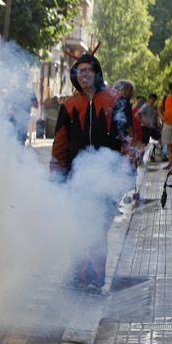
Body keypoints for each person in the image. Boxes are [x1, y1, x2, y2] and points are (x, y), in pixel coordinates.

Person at [50, 52, 127, 291]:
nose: (83, 75)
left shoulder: (115, 101)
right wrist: (56, 173)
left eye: (88, 70)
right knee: (78, 226)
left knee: (99, 228)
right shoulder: (70, 105)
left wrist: (127, 174)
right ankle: (79, 274)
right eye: (79, 71)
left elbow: (127, 139)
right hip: (77, 177)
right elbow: (60, 142)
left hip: (107, 177)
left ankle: (96, 276)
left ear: (96, 73)